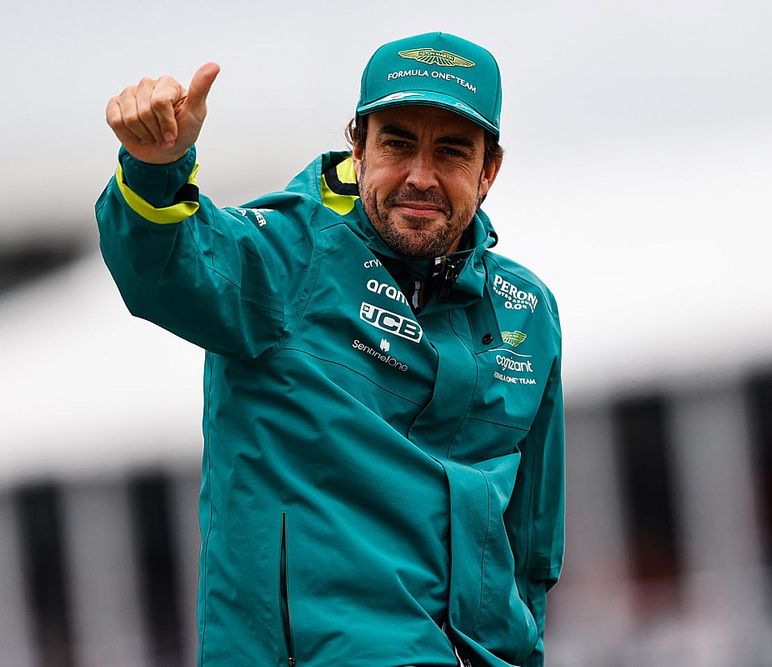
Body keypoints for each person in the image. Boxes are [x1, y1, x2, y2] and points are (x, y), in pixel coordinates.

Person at [96, 32, 564, 667]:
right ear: (359, 147)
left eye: (451, 152)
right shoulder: (285, 255)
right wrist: (155, 171)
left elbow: (533, 551)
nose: (420, 177)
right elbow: (164, 267)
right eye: (398, 142)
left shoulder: (527, 311)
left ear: (488, 172)